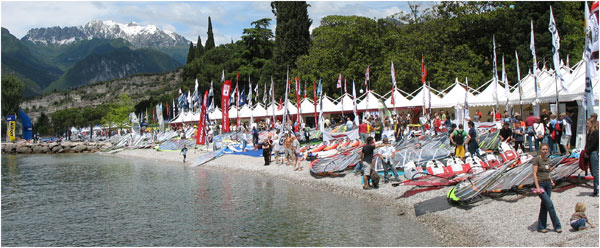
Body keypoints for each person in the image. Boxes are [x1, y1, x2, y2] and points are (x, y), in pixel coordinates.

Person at [532, 144, 562, 233]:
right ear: (540, 150)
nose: (545, 151)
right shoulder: (537, 159)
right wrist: (537, 187)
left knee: (545, 205)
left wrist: (551, 180)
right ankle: (557, 225)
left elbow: (548, 172)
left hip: (548, 183)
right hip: (540, 184)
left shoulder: (548, 160)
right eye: (543, 149)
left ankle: (541, 226)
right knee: (550, 205)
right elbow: (534, 173)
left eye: (546, 149)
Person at [584, 118, 599, 196]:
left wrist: (587, 151)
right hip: (589, 153)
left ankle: (597, 189)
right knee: (593, 171)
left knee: (596, 172)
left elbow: (593, 144)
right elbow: (587, 143)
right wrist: (585, 151)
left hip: (593, 153)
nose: (587, 124)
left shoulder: (596, 132)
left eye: (588, 123)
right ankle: (595, 189)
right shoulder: (589, 132)